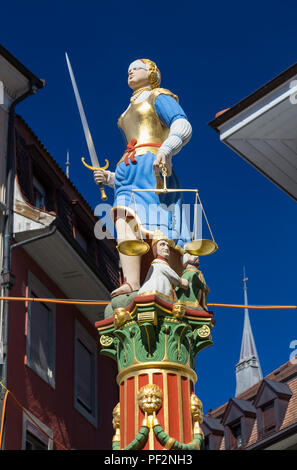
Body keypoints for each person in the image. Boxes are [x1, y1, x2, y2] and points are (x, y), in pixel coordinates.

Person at [94, 59, 192, 297]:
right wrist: (109, 178)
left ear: (151, 73)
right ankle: (131, 281)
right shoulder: (127, 110)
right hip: (128, 168)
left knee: (155, 225)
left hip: (153, 166)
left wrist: (167, 149)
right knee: (121, 217)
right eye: (128, 68)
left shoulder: (158, 97)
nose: (130, 70)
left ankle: (163, 273)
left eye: (136, 67)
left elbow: (182, 124)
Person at [138, 231, 188, 300]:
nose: (166, 248)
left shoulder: (161, 264)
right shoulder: (158, 264)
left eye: (167, 246)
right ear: (156, 249)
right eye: (162, 245)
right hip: (154, 293)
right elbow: (172, 275)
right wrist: (181, 282)